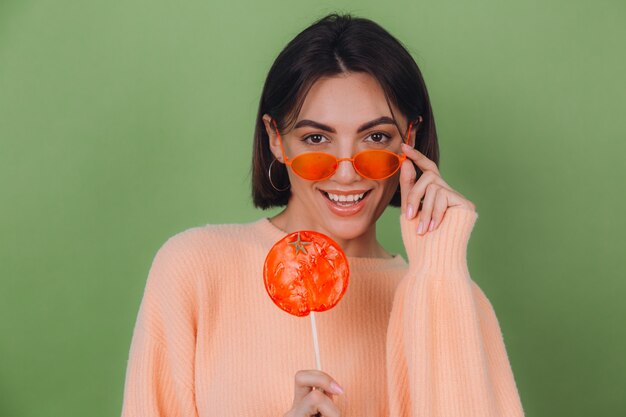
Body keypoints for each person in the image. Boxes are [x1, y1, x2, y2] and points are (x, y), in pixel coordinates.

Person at [120, 13, 525, 417]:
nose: (346, 172)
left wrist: (439, 273)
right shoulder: (195, 269)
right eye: (316, 138)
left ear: (410, 139)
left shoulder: (456, 299)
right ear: (277, 140)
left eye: (376, 137)